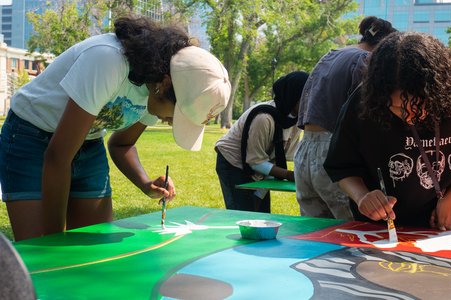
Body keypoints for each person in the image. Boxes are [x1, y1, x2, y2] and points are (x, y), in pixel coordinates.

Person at [0, 16, 231, 241]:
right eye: (178, 114)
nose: (171, 122)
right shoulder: (108, 60)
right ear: (165, 84)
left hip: (88, 144)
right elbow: (58, 156)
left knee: (93, 252)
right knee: (42, 255)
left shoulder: (157, 87)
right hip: (29, 137)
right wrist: (53, 241)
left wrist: (145, 183)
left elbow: (122, 144)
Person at [324, 32, 451, 230]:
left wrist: (449, 198)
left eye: (421, 105)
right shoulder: (364, 101)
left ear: (440, 92)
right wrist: (362, 196)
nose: (410, 117)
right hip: (380, 226)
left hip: (443, 215)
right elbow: (341, 165)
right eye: (398, 108)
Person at [294, 16, 396, 220]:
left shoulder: (331, 54)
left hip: (305, 151)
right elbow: (364, 116)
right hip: (333, 150)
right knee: (350, 234)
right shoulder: (365, 60)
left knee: (314, 233)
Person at [215, 71, 308, 213]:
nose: (311, 102)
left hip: (258, 166)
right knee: (242, 216)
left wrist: (259, 195)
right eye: (306, 96)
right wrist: (289, 175)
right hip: (232, 163)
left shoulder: (295, 121)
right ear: (293, 95)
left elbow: (275, 159)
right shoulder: (264, 118)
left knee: (262, 217)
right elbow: (255, 161)